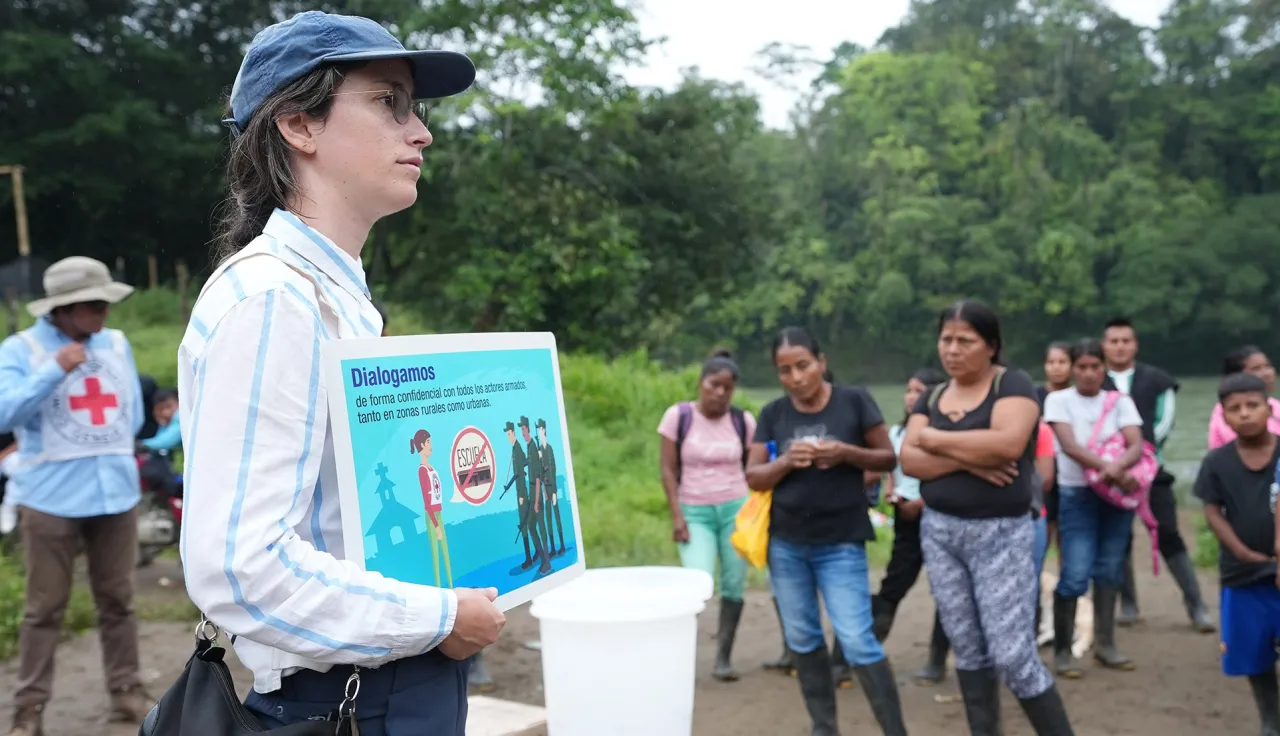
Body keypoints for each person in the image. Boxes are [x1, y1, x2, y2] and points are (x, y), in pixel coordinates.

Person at [176, 12, 504, 734]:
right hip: (349, 702)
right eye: (389, 102)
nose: (421, 132)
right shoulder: (273, 298)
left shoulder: (332, 296)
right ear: (300, 126)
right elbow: (240, 567)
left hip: (391, 681)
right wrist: (441, 614)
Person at [900, 299, 1074, 735]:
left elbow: (1007, 445)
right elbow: (908, 459)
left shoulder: (1012, 385)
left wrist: (935, 438)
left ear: (991, 345)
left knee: (1013, 655)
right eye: (946, 339)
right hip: (940, 532)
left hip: (1000, 533)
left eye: (965, 340)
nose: (952, 350)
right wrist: (969, 460)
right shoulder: (934, 394)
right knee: (968, 649)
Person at [0, 256, 150, 735]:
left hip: (116, 496)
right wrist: (50, 371)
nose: (103, 313)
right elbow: (4, 415)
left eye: (106, 303)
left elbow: (134, 413)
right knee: (44, 610)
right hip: (50, 500)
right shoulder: (20, 350)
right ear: (60, 310)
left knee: (120, 602)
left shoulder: (117, 344)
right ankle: (29, 711)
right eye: (91, 305)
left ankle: (127, 695)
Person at [747, 326, 906, 736]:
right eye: (785, 370)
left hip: (841, 543)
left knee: (856, 639)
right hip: (786, 544)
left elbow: (888, 457)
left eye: (803, 365)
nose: (796, 378)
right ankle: (824, 727)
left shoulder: (854, 401)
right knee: (802, 638)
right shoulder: (773, 414)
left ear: (822, 362)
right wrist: (785, 461)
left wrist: (846, 453)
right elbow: (754, 476)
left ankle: (895, 730)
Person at [1100, 317, 1214, 632]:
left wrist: (1141, 459)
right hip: (1110, 475)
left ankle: (1196, 605)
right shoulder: (1094, 380)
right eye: (1114, 341)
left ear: (1135, 344)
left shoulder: (1158, 380)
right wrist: (1115, 463)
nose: (1120, 346)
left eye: (1126, 341)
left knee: (1168, 535)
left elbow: (1164, 424)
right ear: (1104, 345)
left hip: (1153, 473)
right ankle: (1129, 604)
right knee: (1117, 538)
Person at [1044, 338, 1144, 677]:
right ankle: (1062, 651)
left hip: (1115, 498)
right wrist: (1110, 469)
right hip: (1078, 494)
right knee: (1074, 573)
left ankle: (1106, 644)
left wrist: (1114, 471)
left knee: (1111, 568)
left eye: (1095, 366)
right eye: (1082, 367)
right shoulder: (1058, 400)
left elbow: (1136, 443)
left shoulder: (1120, 402)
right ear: (1072, 369)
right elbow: (1068, 445)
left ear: (1104, 368)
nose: (1089, 374)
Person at [658, 349, 755, 682]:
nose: (720, 393)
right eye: (714, 385)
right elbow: (668, 469)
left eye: (727, 388)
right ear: (701, 383)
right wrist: (677, 516)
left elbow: (752, 469)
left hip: (735, 510)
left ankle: (723, 659)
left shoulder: (743, 421)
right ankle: (681, 657)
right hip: (694, 510)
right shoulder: (678, 416)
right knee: (696, 583)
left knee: (733, 582)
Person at [1193, 372, 1280, 736]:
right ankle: (1271, 719)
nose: (1245, 414)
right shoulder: (1217, 462)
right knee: (1255, 653)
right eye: (1235, 409)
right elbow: (1212, 510)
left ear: (1269, 407)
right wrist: (1240, 551)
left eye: (1252, 406)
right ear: (1223, 415)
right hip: (1243, 575)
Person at [1208, 346, 1280, 449]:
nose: (1267, 373)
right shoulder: (1227, 410)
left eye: (1267, 366)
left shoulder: (1275, 405)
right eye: (1256, 368)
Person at [411, 429, 452, 588]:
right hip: (431, 516)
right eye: (428, 442)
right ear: (421, 445)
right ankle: (438, 589)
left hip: (439, 513)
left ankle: (451, 586)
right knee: (436, 556)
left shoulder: (432, 468)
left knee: (446, 553)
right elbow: (427, 502)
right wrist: (435, 525)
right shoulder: (422, 470)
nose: (431, 445)